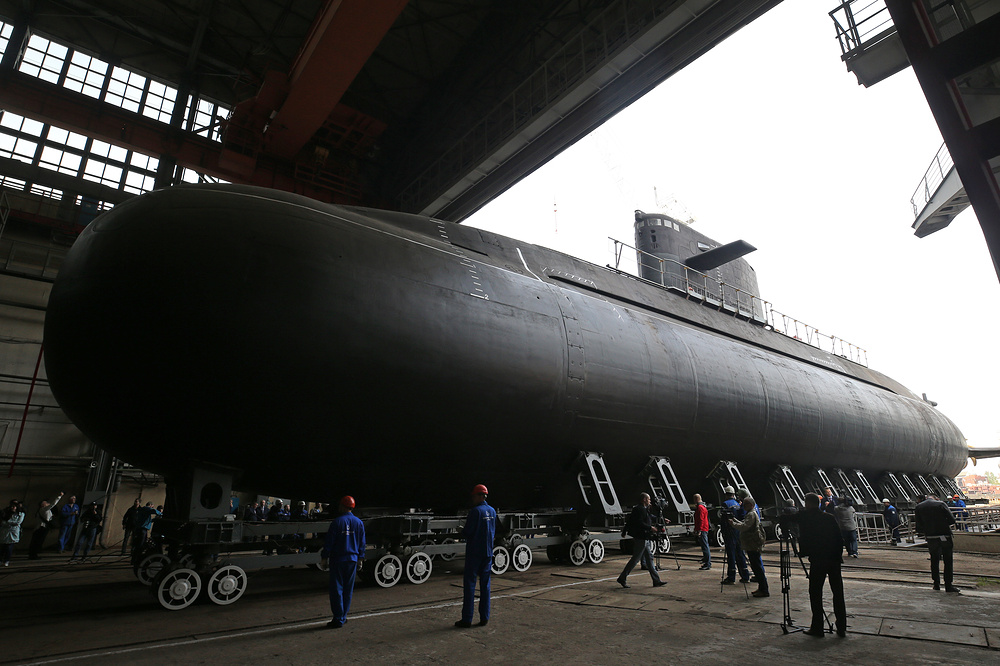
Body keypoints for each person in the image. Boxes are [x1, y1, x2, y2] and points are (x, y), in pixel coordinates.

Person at [797, 493, 847, 637]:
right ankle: (841, 627)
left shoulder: (807, 518)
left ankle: (817, 627)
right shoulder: (829, 518)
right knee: (838, 593)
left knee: (815, 593)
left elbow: (790, 518)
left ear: (808, 503)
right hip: (834, 560)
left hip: (818, 560)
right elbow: (839, 539)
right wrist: (837, 556)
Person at [320, 495, 365, 629]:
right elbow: (362, 543)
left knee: (337, 589)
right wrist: (360, 558)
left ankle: (338, 618)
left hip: (338, 560)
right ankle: (343, 616)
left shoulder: (337, 522)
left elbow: (329, 542)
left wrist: (324, 557)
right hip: (352, 560)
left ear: (342, 506)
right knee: (348, 589)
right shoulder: (359, 523)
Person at [456, 484, 498, 628]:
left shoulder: (475, 512)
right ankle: (484, 617)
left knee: (470, 585)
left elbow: (468, 532)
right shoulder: (492, 511)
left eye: (474, 496)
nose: (472, 499)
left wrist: (461, 531)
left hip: (474, 553)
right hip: (488, 552)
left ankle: (467, 619)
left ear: (479, 496)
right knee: (485, 585)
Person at [617, 492, 667, 589]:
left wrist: (662, 519)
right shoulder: (639, 509)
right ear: (644, 499)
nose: (650, 501)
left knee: (649, 558)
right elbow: (638, 522)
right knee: (635, 559)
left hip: (645, 537)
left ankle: (656, 580)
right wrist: (650, 528)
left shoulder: (643, 509)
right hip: (641, 537)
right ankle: (622, 578)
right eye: (648, 499)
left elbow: (648, 517)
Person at [914, 494, 959, 593]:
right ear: (936, 498)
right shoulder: (941, 504)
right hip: (944, 536)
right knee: (948, 560)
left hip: (931, 537)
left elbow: (918, 527)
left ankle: (936, 584)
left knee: (934, 560)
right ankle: (948, 585)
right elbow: (952, 520)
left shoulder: (919, 507)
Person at [728, 496, 768, 597]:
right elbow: (744, 523)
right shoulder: (750, 513)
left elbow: (745, 527)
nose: (743, 506)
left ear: (750, 505)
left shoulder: (751, 514)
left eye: (745, 504)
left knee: (757, 567)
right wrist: (734, 520)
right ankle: (761, 588)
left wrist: (733, 524)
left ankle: (764, 589)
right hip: (751, 543)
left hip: (752, 544)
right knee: (755, 566)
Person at [720, 486, 751, 584]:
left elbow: (723, 520)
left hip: (729, 532)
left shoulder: (725, 504)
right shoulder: (738, 504)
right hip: (738, 531)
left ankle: (731, 577)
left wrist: (724, 531)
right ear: (733, 494)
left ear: (726, 494)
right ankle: (745, 575)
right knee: (740, 554)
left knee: (731, 555)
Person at [28, 492, 64, 559]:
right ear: (43, 505)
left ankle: (33, 553)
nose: (48, 503)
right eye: (46, 503)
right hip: (41, 527)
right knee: (37, 541)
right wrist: (59, 496)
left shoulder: (44, 511)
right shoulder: (43, 509)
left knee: (37, 541)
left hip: (42, 527)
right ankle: (33, 554)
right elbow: (53, 504)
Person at [1, 500, 25, 566]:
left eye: (14, 506)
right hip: (5, 531)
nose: (12, 507)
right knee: (3, 547)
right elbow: (3, 522)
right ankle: (1, 559)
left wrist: (8, 523)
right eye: (11, 506)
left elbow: (17, 522)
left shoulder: (20, 514)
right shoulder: (6, 513)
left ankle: (6, 560)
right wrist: (9, 523)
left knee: (9, 547)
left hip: (13, 532)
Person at [693, 493, 711, 570]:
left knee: (705, 546)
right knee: (704, 545)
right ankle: (706, 561)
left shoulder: (700, 508)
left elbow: (700, 519)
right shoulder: (703, 507)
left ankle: (707, 563)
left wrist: (699, 530)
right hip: (704, 528)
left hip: (702, 529)